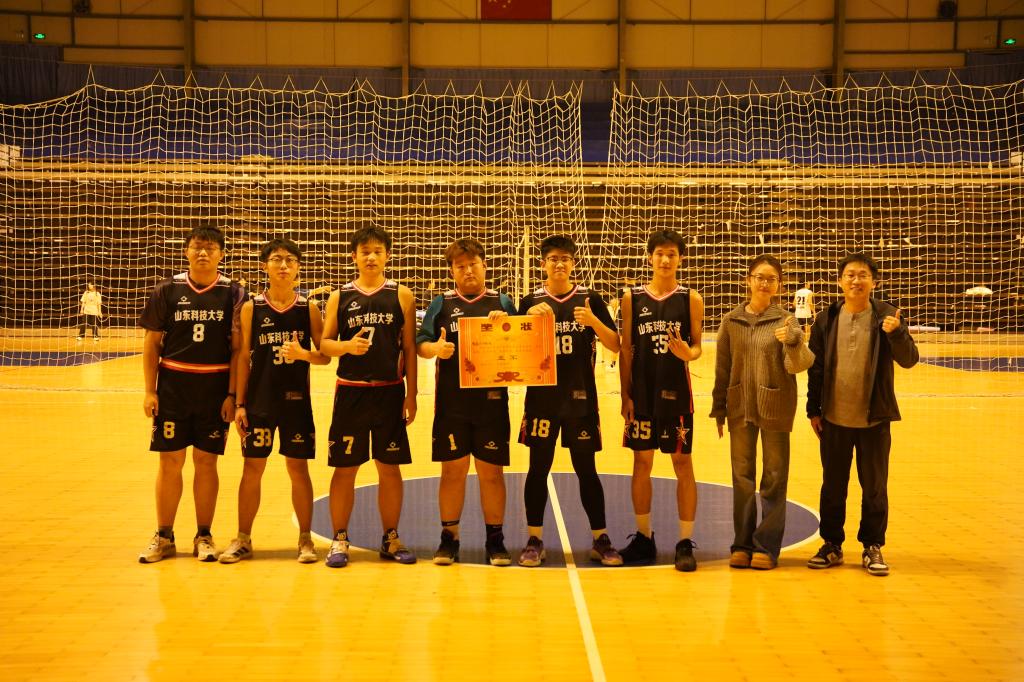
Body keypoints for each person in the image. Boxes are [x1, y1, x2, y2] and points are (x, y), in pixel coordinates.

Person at [806, 253, 919, 577]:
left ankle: (872, 545)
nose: (856, 280)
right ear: (840, 281)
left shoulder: (887, 315)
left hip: (874, 420)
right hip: (834, 420)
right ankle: (831, 544)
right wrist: (814, 410)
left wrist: (897, 333)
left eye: (863, 275)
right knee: (832, 487)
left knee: (874, 488)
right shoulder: (827, 318)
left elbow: (910, 359)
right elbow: (816, 367)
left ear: (874, 282)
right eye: (850, 275)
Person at [138, 225, 245, 563]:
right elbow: (152, 344)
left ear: (221, 254)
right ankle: (164, 535)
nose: (203, 253)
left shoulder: (234, 293)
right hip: (173, 387)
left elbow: (238, 350)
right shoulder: (167, 290)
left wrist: (232, 395)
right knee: (170, 462)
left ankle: (204, 535)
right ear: (186, 251)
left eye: (210, 248)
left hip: (214, 388)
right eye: (197, 247)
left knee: (206, 462)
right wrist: (149, 391)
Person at [219, 239, 329, 565]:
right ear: (264, 265)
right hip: (260, 402)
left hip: (296, 402)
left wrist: (303, 354)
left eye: (290, 260)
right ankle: (243, 538)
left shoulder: (308, 308)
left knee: (298, 468)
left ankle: (305, 539)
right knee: (252, 468)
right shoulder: (252, 307)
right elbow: (243, 358)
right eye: (277, 259)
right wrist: (240, 403)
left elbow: (323, 356)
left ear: (298, 268)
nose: (283, 265)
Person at [516, 235, 623, 567]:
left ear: (573, 263)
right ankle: (534, 539)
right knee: (537, 469)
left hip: (581, 400)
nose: (559, 263)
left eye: (565, 258)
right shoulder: (530, 301)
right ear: (543, 264)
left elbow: (616, 344)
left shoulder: (590, 299)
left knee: (586, 470)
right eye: (553, 258)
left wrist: (593, 322)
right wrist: (526, 317)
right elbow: (514, 349)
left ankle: (600, 539)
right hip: (541, 400)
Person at [319, 226, 418, 568]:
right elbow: (325, 344)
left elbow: (409, 348)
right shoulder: (339, 296)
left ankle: (391, 537)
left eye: (377, 251)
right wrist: (347, 346)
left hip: (390, 392)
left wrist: (412, 395)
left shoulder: (402, 295)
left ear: (387, 255)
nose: (371, 257)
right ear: (354, 257)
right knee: (345, 468)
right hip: (351, 392)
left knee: (389, 468)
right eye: (365, 252)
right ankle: (339, 539)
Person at [417, 238, 518, 566]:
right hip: (452, 405)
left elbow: (522, 342)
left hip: (492, 404)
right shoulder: (441, 303)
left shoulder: (502, 301)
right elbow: (421, 342)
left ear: (484, 265)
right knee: (452, 472)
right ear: (452, 271)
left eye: (473, 264)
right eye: (460, 266)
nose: (468, 270)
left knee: (492, 473)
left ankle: (495, 540)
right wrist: (435, 349)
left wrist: (505, 327)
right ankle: (449, 538)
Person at [710, 255, 814, 570]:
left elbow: (799, 365)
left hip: (776, 408)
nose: (764, 283)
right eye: (759, 277)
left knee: (774, 478)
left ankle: (766, 547)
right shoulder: (731, 320)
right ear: (748, 280)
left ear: (778, 285)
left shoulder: (787, 320)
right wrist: (718, 407)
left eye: (771, 279)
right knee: (742, 478)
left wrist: (794, 342)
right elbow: (722, 366)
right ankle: (741, 544)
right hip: (739, 406)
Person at [619, 229, 704, 572]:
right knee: (641, 464)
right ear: (650, 257)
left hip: (676, 396)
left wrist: (689, 353)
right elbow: (626, 349)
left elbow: (697, 346)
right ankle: (644, 537)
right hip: (641, 395)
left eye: (671, 254)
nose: (665, 259)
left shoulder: (691, 298)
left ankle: (684, 542)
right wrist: (624, 394)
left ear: (680, 259)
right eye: (659, 253)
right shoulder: (631, 297)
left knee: (682, 464)